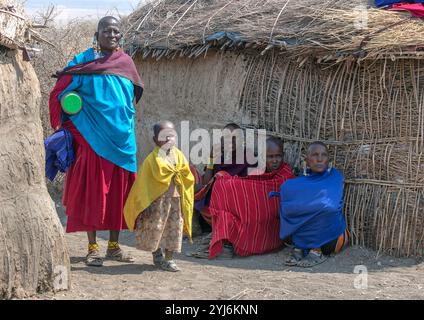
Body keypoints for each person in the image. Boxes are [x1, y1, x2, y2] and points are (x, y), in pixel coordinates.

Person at [49, 16, 143, 266]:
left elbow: (132, 96)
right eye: (107, 31)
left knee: (119, 195)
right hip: (93, 139)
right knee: (93, 193)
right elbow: (61, 91)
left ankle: (113, 247)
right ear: (97, 33)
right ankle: (92, 248)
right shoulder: (84, 61)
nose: (113, 35)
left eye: (116, 31)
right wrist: (72, 116)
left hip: (123, 139)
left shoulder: (126, 62)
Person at [191, 137, 295, 259]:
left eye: (278, 156)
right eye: (270, 157)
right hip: (251, 216)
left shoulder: (286, 175)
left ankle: (225, 241)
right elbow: (249, 190)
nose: (275, 161)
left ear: (283, 155)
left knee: (226, 187)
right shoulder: (258, 171)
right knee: (227, 211)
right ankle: (224, 242)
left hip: (272, 226)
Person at [123, 121, 194, 272]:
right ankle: (157, 254)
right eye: (163, 136)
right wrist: (144, 203)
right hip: (157, 202)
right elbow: (143, 184)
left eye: (171, 136)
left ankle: (169, 259)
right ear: (155, 140)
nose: (168, 139)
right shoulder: (152, 160)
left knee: (174, 230)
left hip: (175, 201)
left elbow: (187, 175)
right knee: (156, 229)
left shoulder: (179, 156)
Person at [279, 141, 349, 267]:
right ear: (307, 159)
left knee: (325, 209)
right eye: (315, 155)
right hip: (301, 236)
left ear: (328, 159)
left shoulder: (334, 177)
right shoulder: (297, 183)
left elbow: (331, 206)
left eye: (324, 155)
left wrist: (307, 207)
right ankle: (299, 247)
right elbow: (288, 208)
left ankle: (316, 249)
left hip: (331, 237)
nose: (320, 159)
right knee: (291, 197)